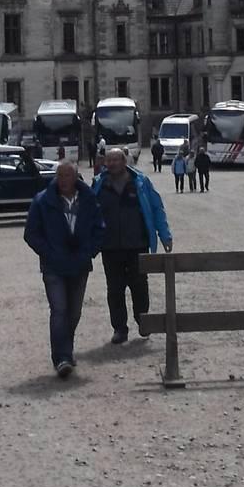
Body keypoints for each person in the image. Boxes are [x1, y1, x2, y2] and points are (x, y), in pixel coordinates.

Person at [23, 161, 104, 377]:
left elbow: (100, 229)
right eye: (61, 176)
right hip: (53, 266)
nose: (64, 180)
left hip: (80, 264)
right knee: (59, 310)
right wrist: (49, 253)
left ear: (76, 177)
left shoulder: (88, 200)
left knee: (74, 311)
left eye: (68, 176)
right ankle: (62, 358)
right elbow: (31, 233)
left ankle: (66, 347)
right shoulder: (42, 201)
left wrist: (89, 251)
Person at [92, 147, 172, 345]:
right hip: (110, 246)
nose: (111, 164)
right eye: (108, 161)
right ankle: (119, 329)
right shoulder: (98, 184)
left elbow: (156, 208)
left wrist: (165, 235)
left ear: (124, 161)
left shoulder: (141, 182)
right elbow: (89, 214)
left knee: (139, 286)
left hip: (137, 244)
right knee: (115, 289)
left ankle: (143, 322)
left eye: (115, 160)